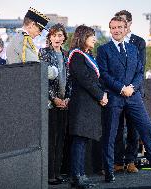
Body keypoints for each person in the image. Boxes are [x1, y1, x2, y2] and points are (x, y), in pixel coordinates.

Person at [96, 16, 151, 183]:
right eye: (113, 28)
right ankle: (109, 172)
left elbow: (140, 72)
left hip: (133, 97)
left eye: (120, 27)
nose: (116, 30)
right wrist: (121, 88)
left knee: (147, 129)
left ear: (126, 28)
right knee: (110, 136)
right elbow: (103, 75)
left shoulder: (133, 49)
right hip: (114, 97)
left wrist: (132, 88)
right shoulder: (103, 49)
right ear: (110, 29)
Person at [68, 25, 108, 188]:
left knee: (83, 140)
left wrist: (103, 93)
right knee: (79, 140)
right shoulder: (76, 55)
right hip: (81, 105)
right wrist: (100, 95)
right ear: (83, 37)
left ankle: (80, 174)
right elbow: (85, 79)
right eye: (92, 36)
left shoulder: (87, 55)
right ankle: (77, 177)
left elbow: (95, 80)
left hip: (88, 104)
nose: (94, 39)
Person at [113, 10, 147, 174]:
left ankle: (131, 161)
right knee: (117, 128)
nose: (120, 25)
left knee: (133, 128)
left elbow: (140, 67)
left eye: (123, 21)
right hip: (117, 92)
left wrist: (130, 88)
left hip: (134, 92)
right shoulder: (112, 42)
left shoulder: (139, 42)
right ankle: (118, 162)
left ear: (130, 23)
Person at [38, 23, 71, 185]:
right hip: (50, 104)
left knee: (60, 140)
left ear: (64, 37)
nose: (57, 38)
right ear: (49, 37)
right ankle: (49, 175)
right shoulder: (44, 53)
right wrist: (54, 98)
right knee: (51, 140)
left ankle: (57, 173)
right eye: (54, 35)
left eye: (60, 35)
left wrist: (67, 99)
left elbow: (70, 80)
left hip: (64, 103)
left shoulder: (66, 55)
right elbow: (43, 79)